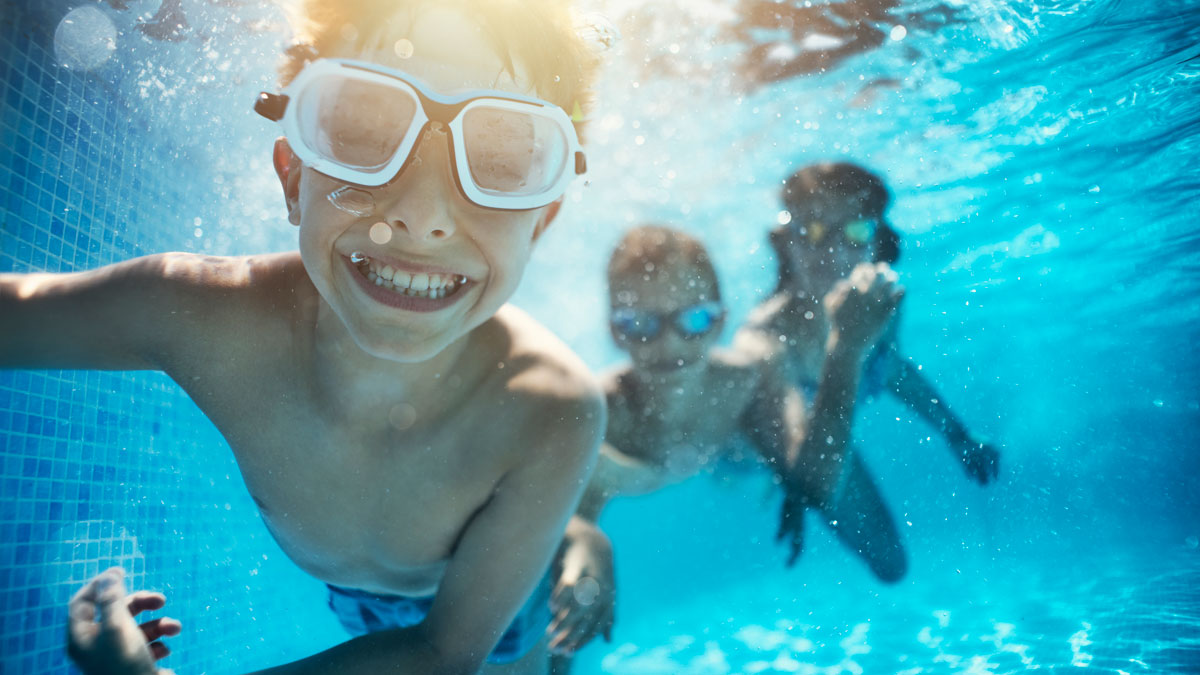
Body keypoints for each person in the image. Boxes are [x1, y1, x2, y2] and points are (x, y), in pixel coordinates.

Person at [3, 1, 606, 672]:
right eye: (364, 132)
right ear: (294, 175)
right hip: (359, 602)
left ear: (541, 222)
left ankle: (573, 544)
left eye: (500, 160)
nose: (420, 215)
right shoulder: (208, 319)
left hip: (494, 616)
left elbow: (446, 650)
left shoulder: (549, 407)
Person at [544, 225, 902, 672]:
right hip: (716, 456)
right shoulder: (600, 416)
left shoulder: (746, 379)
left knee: (892, 563)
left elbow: (816, 485)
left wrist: (845, 350)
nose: (668, 344)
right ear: (615, 332)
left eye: (693, 320)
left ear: (720, 320)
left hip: (744, 453)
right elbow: (569, 540)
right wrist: (588, 572)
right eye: (640, 324)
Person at [735, 161, 1001, 582]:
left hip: (819, 441)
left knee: (892, 564)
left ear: (878, 243)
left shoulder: (878, 301)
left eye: (856, 232)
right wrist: (796, 487)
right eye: (815, 231)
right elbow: (781, 439)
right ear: (787, 242)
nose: (834, 250)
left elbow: (890, 369)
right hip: (747, 453)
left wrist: (958, 435)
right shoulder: (767, 337)